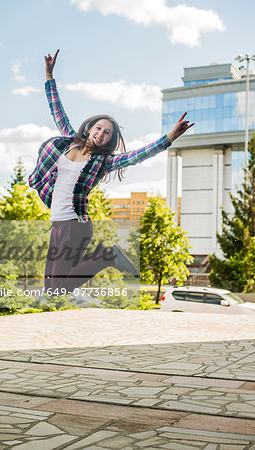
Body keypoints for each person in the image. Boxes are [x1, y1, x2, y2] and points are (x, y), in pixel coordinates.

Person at [29, 50, 194, 295]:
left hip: (76, 226)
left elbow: (138, 155)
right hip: (57, 225)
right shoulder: (68, 141)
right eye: (99, 128)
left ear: (109, 140)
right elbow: (57, 111)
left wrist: (169, 137)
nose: (101, 133)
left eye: (107, 133)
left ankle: (108, 256)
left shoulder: (103, 161)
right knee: (50, 287)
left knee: (58, 288)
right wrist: (49, 75)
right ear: (89, 128)